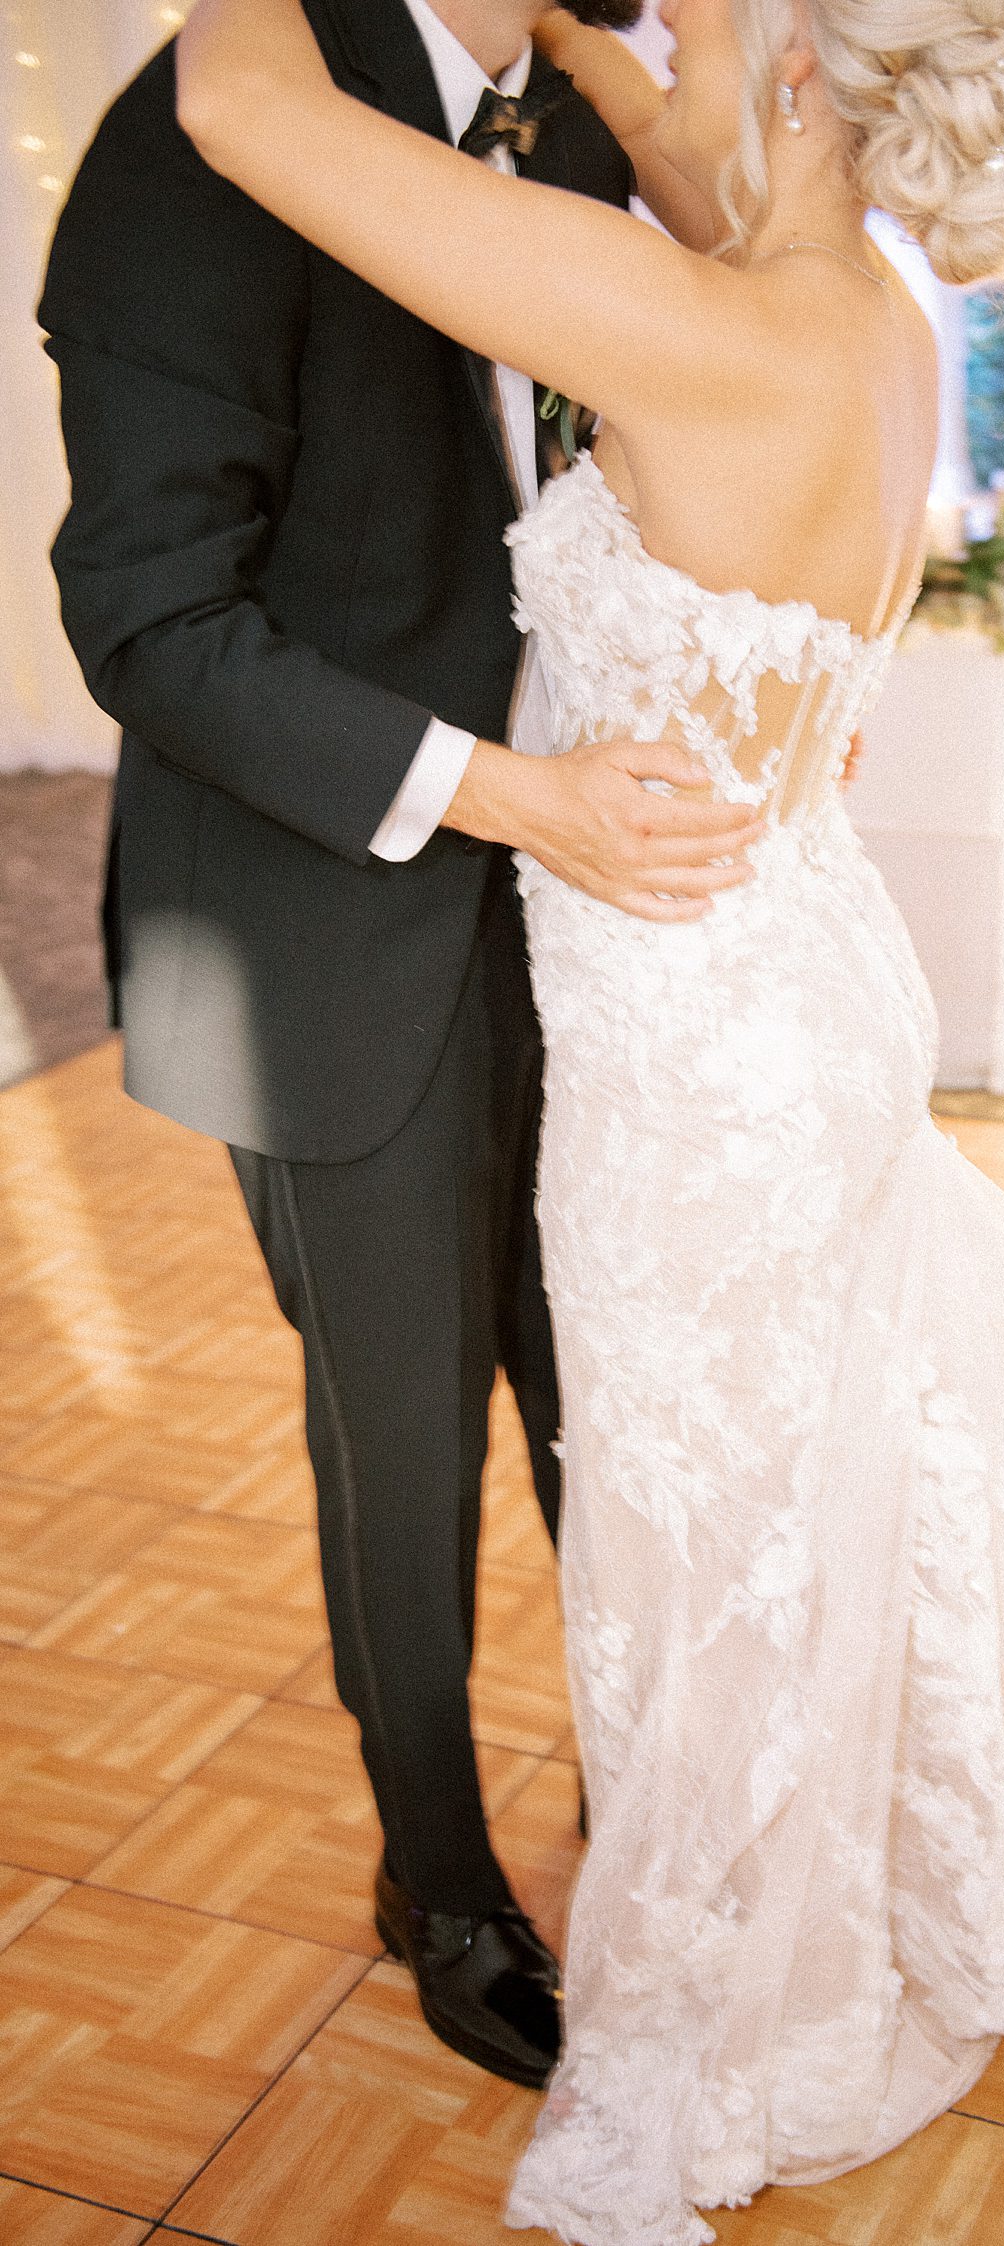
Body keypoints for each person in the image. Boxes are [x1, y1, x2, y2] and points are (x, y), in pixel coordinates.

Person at [173, 0, 1004, 2238]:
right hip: (809, 975)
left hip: (696, 1052)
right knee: (820, 1466)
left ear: (792, 80)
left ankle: (748, 1983)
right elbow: (697, 138)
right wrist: (572, 21)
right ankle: (892, 1842)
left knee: (705, 1520)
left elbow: (239, 102)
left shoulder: (678, 325)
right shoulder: (862, 324)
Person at [40, 0, 770, 2097]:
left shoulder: (576, 134)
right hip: (318, 917)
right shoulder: (208, 132)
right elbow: (151, 616)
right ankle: (439, 1877)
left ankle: (664, 1796)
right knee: (406, 1431)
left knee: (604, 1383)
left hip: (587, 921)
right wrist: (512, 795)